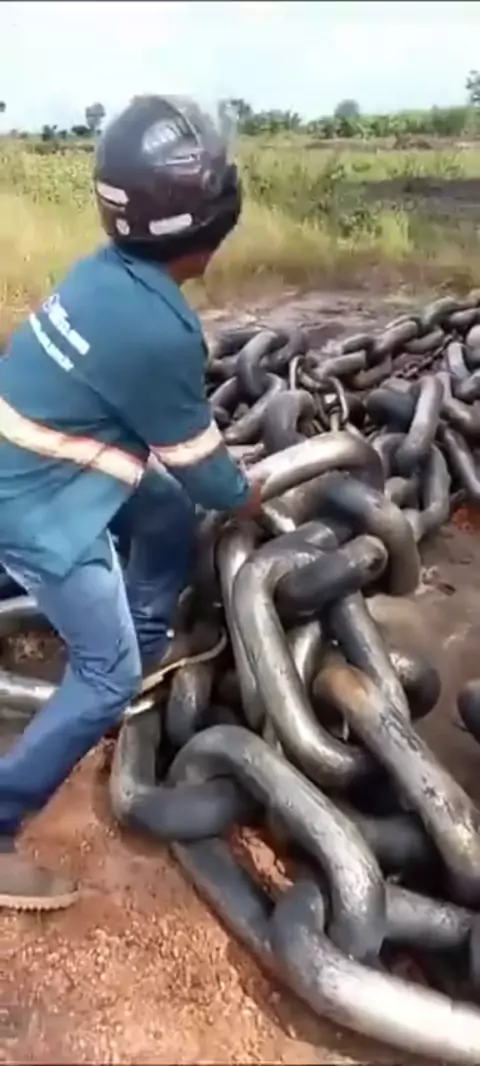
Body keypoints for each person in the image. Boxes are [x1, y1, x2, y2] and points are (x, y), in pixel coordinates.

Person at [0, 94, 263, 911]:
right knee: (105, 676)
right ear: (210, 229)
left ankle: (144, 637)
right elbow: (210, 475)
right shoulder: (162, 330)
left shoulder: (102, 271)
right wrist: (250, 496)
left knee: (160, 512)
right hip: (36, 507)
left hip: (27, 458)